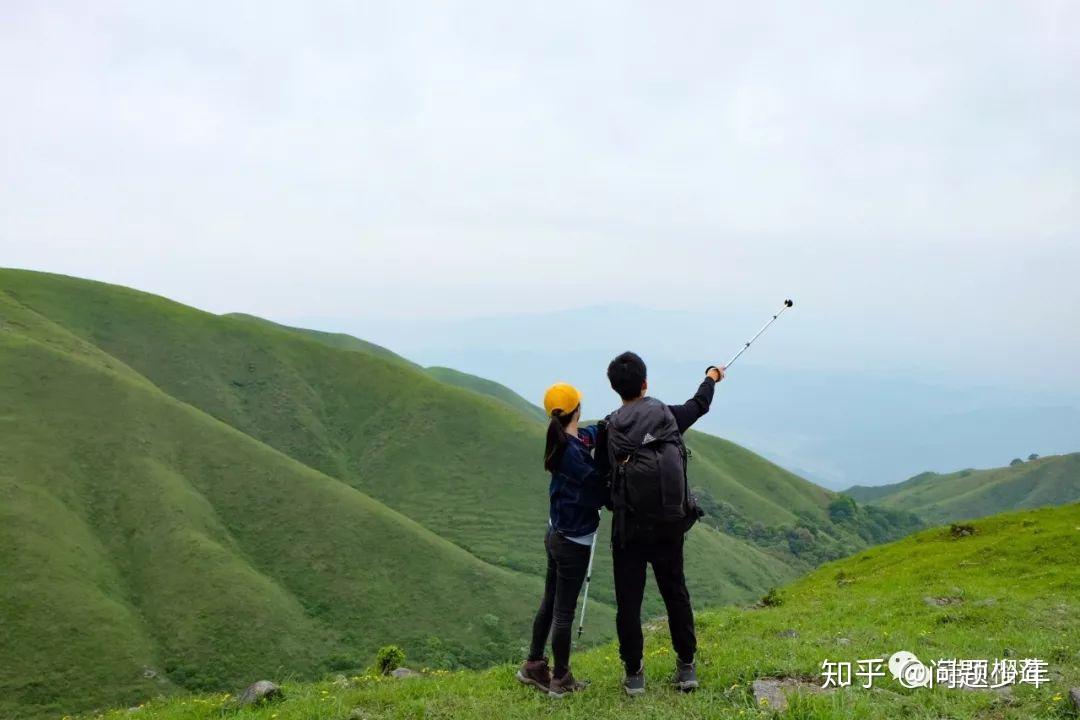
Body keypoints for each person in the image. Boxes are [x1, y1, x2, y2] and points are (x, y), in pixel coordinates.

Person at [602, 351, 724, 696]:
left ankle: (634, 674)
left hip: (628, 529)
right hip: (669, 525)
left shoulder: (608, 429)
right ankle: (686, 667)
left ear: (615, 388)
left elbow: (601, 479)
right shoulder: (666, 416)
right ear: (645, 383)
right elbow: (699, 405)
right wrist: (711, 377)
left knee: (629, 601)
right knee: (675, 593)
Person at [517, 382, 609, 698]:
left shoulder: (563, 441)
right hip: (573, 543)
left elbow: (591, 435)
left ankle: (533, 665)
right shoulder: (575, 456)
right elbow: (600, 490)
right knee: (564, 612)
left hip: (555, 533)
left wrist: (611, 423)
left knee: (550, 600)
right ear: (576, 410)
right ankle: (561, 679)